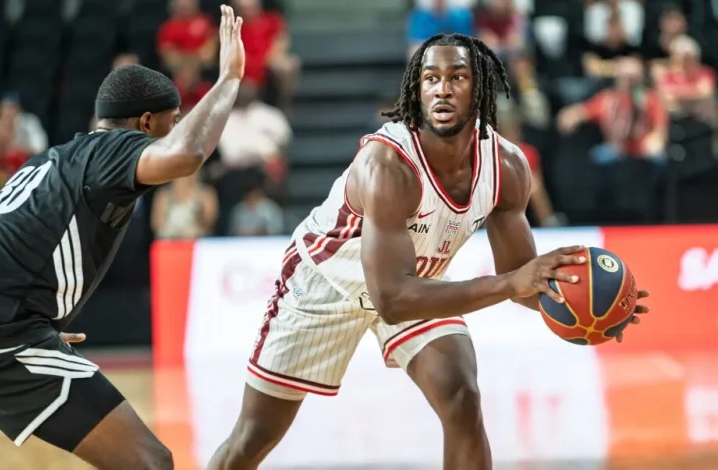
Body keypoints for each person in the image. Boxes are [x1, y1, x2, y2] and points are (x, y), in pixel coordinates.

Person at [207, 33, 650, 470]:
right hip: (328, 281)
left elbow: (520, 280)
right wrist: (511, 283)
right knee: (254, 436)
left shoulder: (507, 167)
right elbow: (392, 300)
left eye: (457, 77)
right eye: (431, 78)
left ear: (480, 89)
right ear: (417, 91)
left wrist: (592, 302)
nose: (442, 88)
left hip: (414, 280)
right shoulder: (387, 165)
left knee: (462, 396)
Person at [0, 5, 245, 470]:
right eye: (174, 119)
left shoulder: (53, 159)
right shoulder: (112, 151)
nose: (177, 128)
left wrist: (36, 313)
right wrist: (228, 78)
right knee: (151, 462)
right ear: (145, 124)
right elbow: (188, 153)